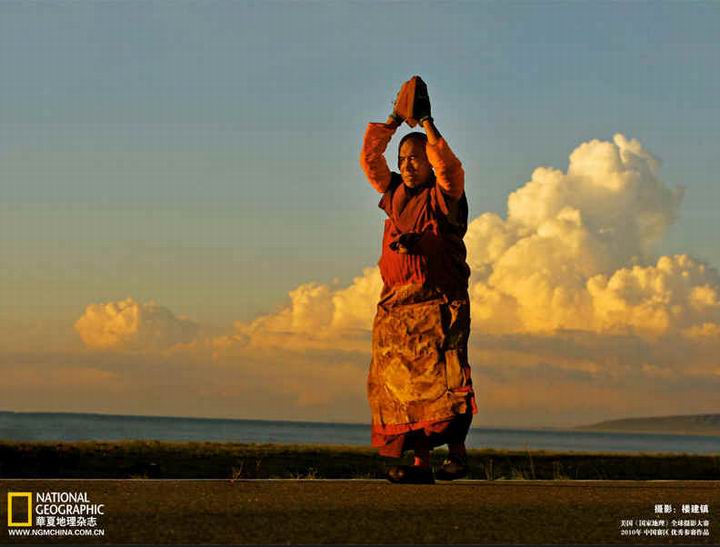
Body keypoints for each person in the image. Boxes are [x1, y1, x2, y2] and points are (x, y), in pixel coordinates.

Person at [360, 76, 478, 484]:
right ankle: (420, 465)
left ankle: (458, 457)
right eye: (403, 159)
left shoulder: (445, 195)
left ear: (429, 162)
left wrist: (426, 123)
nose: (408, 165)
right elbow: (370, 160)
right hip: (396, 309)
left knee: (444, 381)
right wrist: (393, 120)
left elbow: (450, 167)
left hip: (439, 304)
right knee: (402, 387)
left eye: (416, 159)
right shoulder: (393, 192)